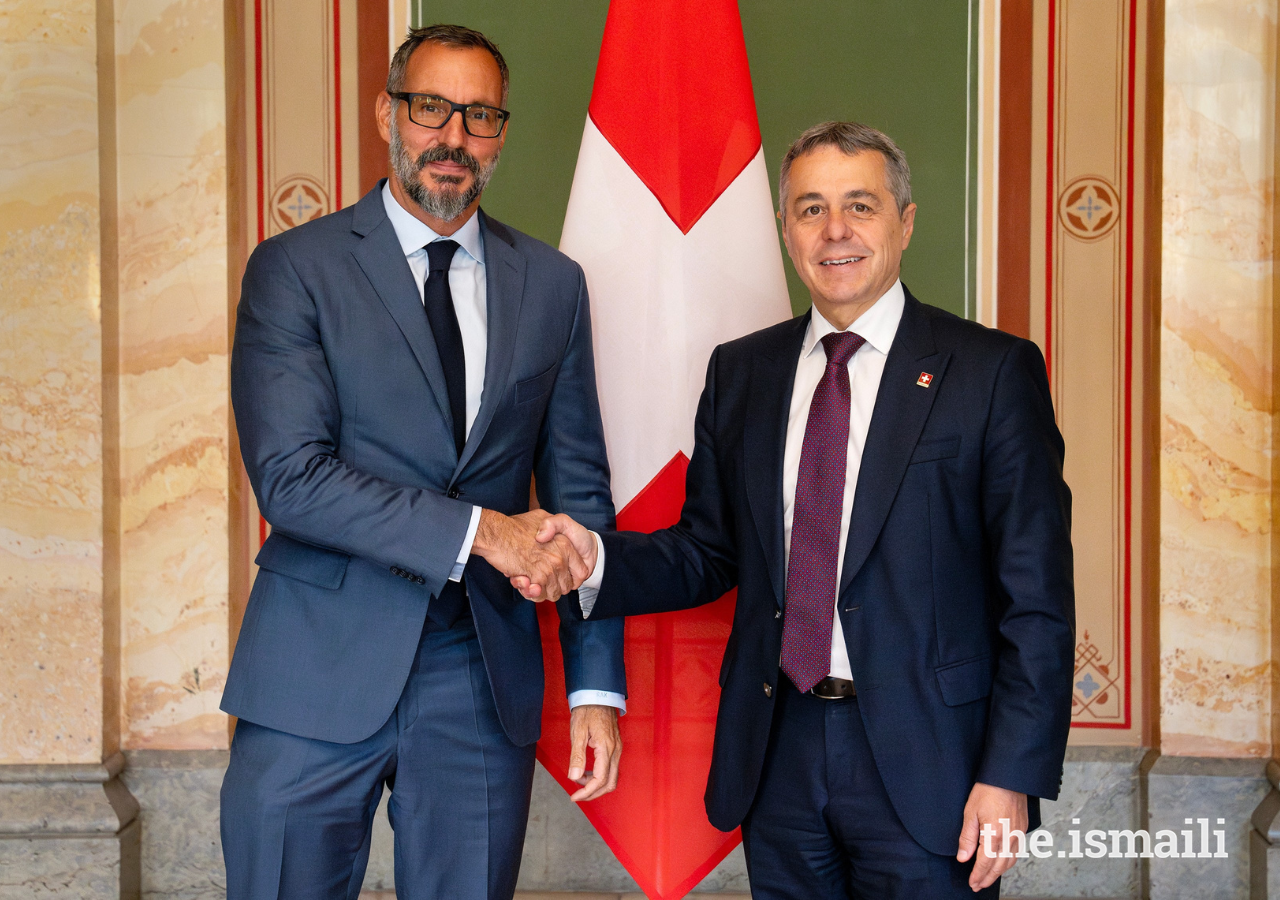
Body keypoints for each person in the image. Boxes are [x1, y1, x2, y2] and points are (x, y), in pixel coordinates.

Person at [525, 121, 1075, 898]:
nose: (836, 230)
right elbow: (707, 552)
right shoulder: (743, 372)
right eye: (811, 209)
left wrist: (1009, 775)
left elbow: (1038, 599)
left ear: (906, 222)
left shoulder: (990, 373)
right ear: (786, 231)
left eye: (861, 205)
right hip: (777, 753)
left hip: (934, 765)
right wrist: (589, 557)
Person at [221, 24, 626, 900]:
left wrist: (596, 682)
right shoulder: (296, 269)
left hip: (479, 678)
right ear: (388, 114)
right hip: (312, 670)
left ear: (502, 134)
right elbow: (291, 478)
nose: (453, 138)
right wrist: (488, 534)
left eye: (479, 117)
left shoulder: (552, 285)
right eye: (431, 108)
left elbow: (578, 492)